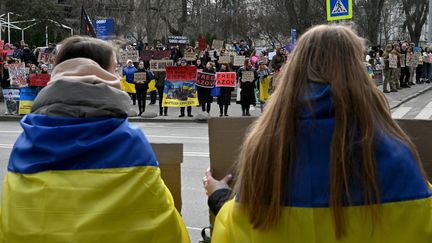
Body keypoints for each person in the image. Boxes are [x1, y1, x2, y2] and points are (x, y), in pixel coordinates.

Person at [205, 25, 432, 243]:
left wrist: (220, 198)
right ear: (359, 74)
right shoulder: (398, 158)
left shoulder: (264, 152)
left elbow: (236, 233)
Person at [0, 36, 190, 243]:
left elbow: (12, 224)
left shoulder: (24, 145)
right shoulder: (130, 142)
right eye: (114, 68)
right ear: (101, 75)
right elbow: (165, 226)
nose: (118, 74)